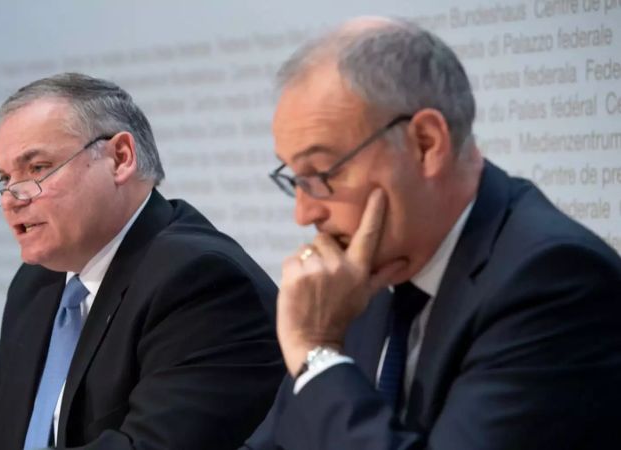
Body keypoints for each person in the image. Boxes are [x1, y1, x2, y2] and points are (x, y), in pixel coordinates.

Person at [244, 16, 621, 450]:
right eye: (295, 178)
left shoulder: (553, 279)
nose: (304, 212)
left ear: (426, 144)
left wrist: (316, 354)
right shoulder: (361, 276)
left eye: (322, 173)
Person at [0, 73, 283, 449]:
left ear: (120, 158)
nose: (13, 197)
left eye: (38, 167)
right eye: (4, 178)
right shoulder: (40, 281)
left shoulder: (200, 280)